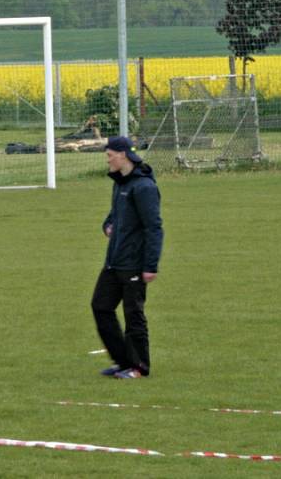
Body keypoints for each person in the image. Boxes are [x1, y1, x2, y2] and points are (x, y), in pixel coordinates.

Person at [92, 136, 163, 379]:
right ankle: (123, 362)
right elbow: (113, 215)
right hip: (114, 261)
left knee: (134, 315)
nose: (108, 159)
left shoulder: (144, 187)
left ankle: (140, 367)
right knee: (100, 306)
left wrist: (150, 266)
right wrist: (107, 225)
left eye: (110, 155)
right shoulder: (120, 184)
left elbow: (154, 228)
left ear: (123, 155)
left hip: (134, 263)